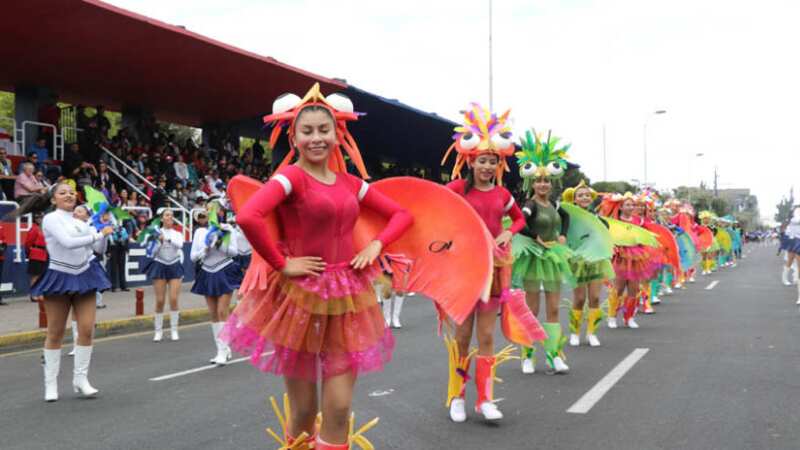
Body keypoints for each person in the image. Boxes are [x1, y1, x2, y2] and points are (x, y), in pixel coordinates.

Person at [221, 84, 413, 449]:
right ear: (293, 136)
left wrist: (376, 243)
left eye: (323, 130)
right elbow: (249, 216)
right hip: (300, 298)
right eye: (307, 131)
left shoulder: (351, 183)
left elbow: (402, 215)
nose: (316, 138)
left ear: (338, 134)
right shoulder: (290, 177)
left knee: (339, 409)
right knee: (304, 412)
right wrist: (282, 264)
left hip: (349, 294)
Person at [440, 104, 527, 422]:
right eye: (481, 160)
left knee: (487, 336)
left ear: (498, 163)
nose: (487, 166)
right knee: (463, 336)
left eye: (492, 161)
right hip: (464, 269)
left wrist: (507, 232)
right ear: (471, 161)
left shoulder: (503, 194)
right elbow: (436, 209)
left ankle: (486, 400)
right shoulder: (457, 189)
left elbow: (518, 221)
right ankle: (457, 396)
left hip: (493, 270)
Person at [19, 183, 112, 401]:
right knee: (55, 331)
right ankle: (50, 384)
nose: (69, 195)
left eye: (71, 192)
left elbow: (99, 250)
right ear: (53, 199)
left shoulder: (81, 221)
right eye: (63, 193)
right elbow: (68, 243)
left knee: (87, 329)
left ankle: (80, 379)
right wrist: (97, 235)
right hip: (60, 275)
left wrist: (103, 230)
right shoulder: (52, 219)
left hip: (85, 274)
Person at [512, 129, 576, 375]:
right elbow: (521, 221)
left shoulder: (555, 204)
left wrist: (563, 236)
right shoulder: (530, 204)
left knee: (552, 308)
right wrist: (534, 237)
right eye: (538, 180)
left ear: (551, 183)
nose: (542, 184)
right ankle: (527, 356)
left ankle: (553, 356)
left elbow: (566, 217)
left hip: (552, 257)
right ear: (532, 183)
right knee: (532, 309)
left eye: (546, 180)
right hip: (532, 258)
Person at [562, 181, 614, 347]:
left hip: (596, 262)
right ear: (574, 199)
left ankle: (592, 333)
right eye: (580, 195)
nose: (584, 197)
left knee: (595, 297)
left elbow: (606, 236)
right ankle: (575, 332)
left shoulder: (598, 219)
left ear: (591, 198)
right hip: (577, 262)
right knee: (579, 298)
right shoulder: (568, 216)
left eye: (587, 195)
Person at [190, 202, 240, 364]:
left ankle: (223, 352)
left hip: (225, 270)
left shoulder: (227, 229)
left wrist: (220, 244)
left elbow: (234, 252)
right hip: (207, 271)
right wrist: (205, 249)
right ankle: (222, 349)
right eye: (207, 208)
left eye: (213, 208)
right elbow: (192, 257)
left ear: (220, 211)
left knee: (221, 311)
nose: (209, 211)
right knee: (212, 313)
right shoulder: (199, 232)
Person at [145, 209, 185, 341]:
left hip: (174, 265)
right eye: (167, 215)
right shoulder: (155, 233)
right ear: (161, 218)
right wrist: (159, 241)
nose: (170, 218)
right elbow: (151, 252)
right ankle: (158, 331)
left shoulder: (177, 233)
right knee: (160, 300)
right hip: (160, 264)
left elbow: (179, 245)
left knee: (173, 299)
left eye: (172, 216)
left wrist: (166, 239)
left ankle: (174, 330)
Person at [25, 213, 48, 303]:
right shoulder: (34, 229)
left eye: (42, 217)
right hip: (36, 253)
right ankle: (33, 294)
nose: (40, 219)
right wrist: (29, 253)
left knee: (41, 275)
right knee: (35, 275)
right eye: (38, 217)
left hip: (43, 253)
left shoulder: (43, 229)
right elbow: (28, 243)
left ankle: (38, 293)